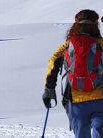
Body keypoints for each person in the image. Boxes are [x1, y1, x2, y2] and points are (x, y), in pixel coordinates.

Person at [42, 9, 103, 138]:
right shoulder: (100, 43)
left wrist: (49, 88)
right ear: (96, 24)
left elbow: (53, 61)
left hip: (76, 100)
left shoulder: (68, 45)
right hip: (100, 98)